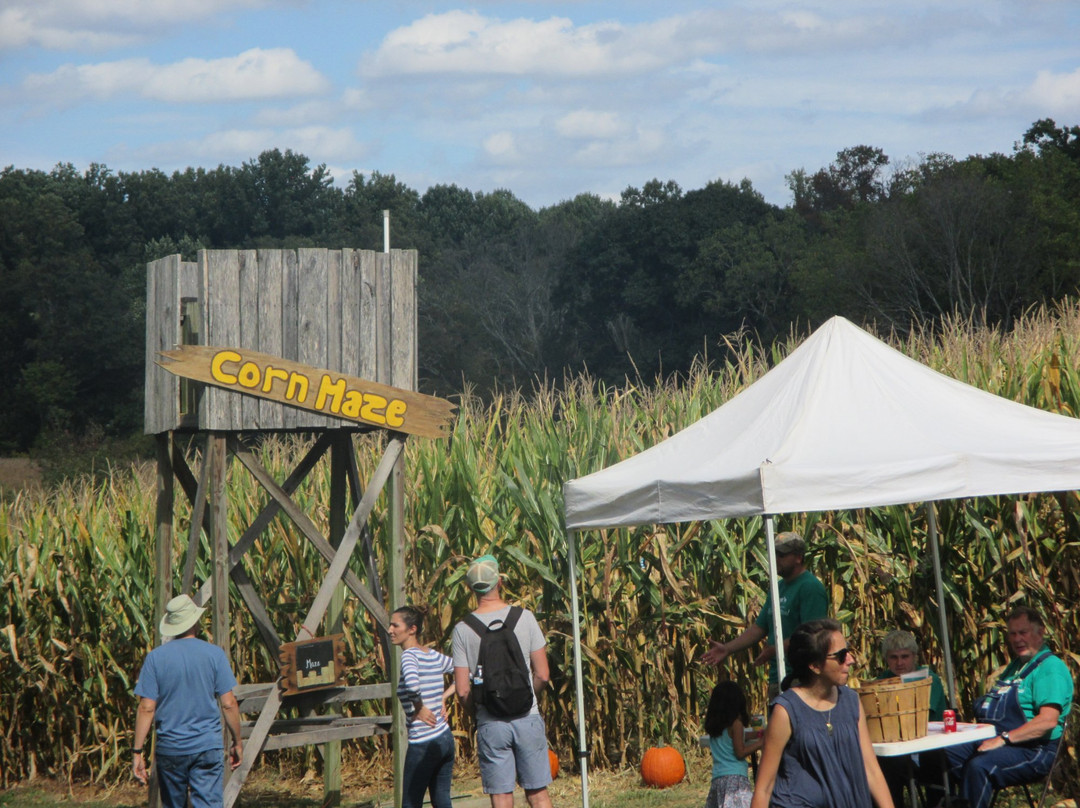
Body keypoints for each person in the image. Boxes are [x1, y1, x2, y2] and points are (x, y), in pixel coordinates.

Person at [750, 618, 894, 808]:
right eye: (841, 655)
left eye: (848, 651)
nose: (851, 660)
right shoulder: (785, 711)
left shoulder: (851, 701)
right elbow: (764, 787)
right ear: (815, 665)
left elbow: (871, 770)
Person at [943, 605, 1073, 808]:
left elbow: (1047, 721)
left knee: (979, 767)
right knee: (945, 753)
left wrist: (1004, 739)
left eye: (1023, 632)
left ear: (1040, 632)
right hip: (996, 739)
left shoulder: (1050, 669)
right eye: (1012, 634)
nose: (1017, 639)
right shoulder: (1015, 667)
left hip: (1034, 749)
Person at [452, 554, 553, 808]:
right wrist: (529, 695)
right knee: (538, 794)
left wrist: (476, 711)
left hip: (490, 722)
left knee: (501, 797)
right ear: (499, 581)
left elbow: (463, 690)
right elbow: (542, 674)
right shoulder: (526, 617)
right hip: (527, 716)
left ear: (470, 588)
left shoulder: (463, 629)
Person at [132, 594, 243, 808]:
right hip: (207, 746)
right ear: (195, 621)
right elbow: (229, 703)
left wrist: (137, 752)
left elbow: (146, 708)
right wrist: (237, 742)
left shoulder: (155, 658)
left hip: (171, 747)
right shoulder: (214, 655)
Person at [703, 532, 829, 695]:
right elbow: (759, 628)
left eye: (781, 555)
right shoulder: (778, 587)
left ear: (798, 557)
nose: (775, 559)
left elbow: (813, 636)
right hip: (778, 677)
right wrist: (727, 649)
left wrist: (775, 650)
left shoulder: (810, 588)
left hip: (803, 679)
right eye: (773, 554)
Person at [389, 605, 456, 808]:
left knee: (410, 803)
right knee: (442, 799)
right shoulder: (432, 655)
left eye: (395, 625)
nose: (390, 630)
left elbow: (411, 684)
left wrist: (418, 706)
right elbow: (467, 672)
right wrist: (444, 697)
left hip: (423, 742)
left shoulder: (409, 656)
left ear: (412, 629)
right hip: (445, 738)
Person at [874, 630, 948, 807]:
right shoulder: (883, 680)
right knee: (880, 764)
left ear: (914, 656)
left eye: (904, 656)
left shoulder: (929, 679)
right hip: (895, 746)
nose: (899, 663)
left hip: (928, 748)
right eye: (893, 657)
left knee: (895, 765)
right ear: (886, 658)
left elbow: (920, 717)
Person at [703, 680, 763, 808]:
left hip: (718, 779)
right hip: (735, 779)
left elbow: (735, 738)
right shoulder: (736, 724)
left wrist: (757, 734)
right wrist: (762, 742)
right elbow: (740, 752)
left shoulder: (716, 727)